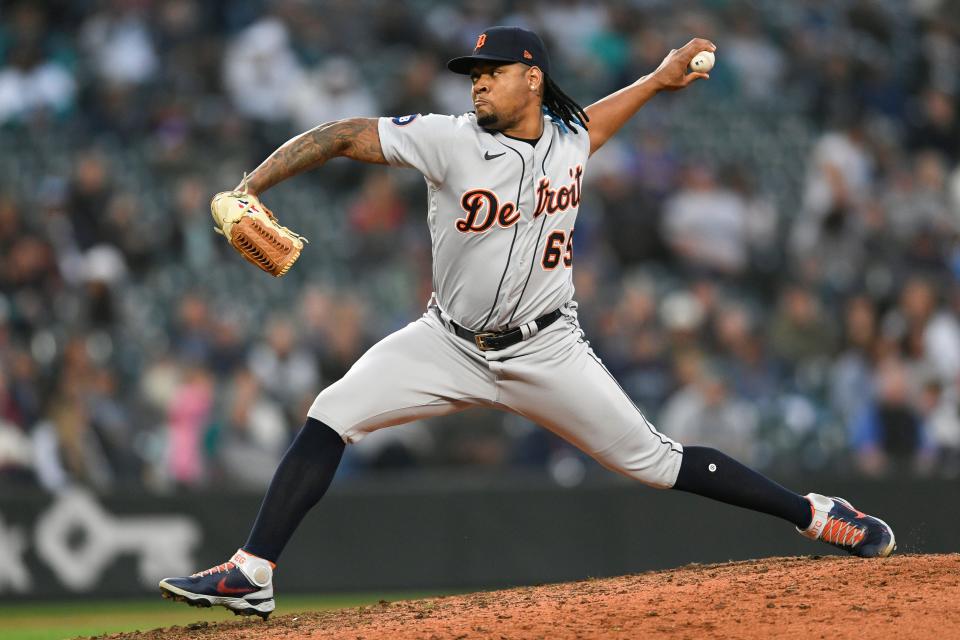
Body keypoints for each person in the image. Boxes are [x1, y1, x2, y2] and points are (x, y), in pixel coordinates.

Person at [159, 27, 895, 620]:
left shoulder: (569, 137)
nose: (477, 80)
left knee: (657, 461)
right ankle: (252, 572)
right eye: (473, 71)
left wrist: (661, 78)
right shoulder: (449, 138)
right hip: (445, 341)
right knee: (330, 412)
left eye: (493, 69)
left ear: (532, 78)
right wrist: (250, 185)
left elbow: (596, 122)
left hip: (548, 347)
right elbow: (345, 133)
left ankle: (815, 514)